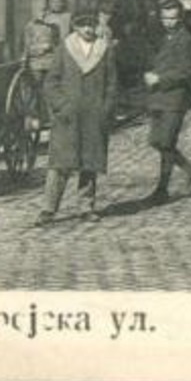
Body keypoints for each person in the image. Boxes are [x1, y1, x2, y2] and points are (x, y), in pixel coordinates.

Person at [37, 11, 118, 224]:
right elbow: (51, 83)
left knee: (89, 163)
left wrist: (105, 109)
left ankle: (86, 206)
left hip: (93, 114)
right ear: (75, 27)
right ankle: (48, 209)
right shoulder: (65, 49)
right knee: (60, 164)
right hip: (68, 117)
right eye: (83, 25)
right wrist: (62, 106)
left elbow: (112, 84)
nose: (88, 29)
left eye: (91, 24)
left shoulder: (105, 50)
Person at [141, 0, 191, 205]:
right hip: (157, 97)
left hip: (176, 97)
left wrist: (160, 78)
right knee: (155, 141)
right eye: (165, 18)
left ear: (180, 18)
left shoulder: (186, 40)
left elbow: (186, 71)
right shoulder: (161, 37)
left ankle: (162, 190)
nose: (168, 22)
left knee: (166, 142)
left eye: (173, 18)